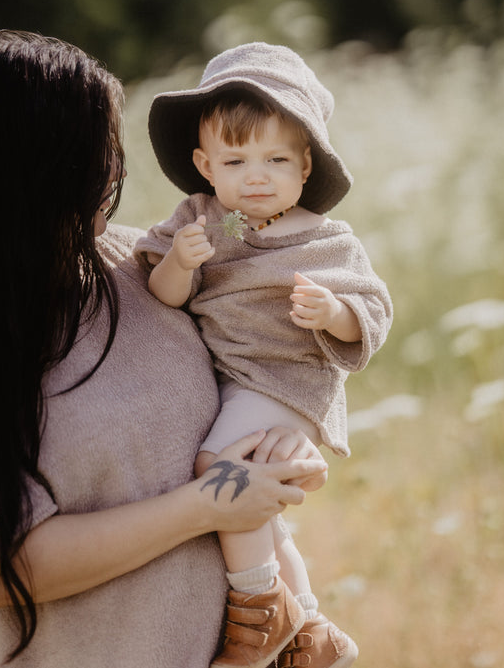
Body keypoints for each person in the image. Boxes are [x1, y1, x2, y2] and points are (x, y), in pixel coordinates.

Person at [0, 30, 329, 668]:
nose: (117, 170)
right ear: (39, 164)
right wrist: (209, 502)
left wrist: (283, 441)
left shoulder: (137, 262)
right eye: (100, 150)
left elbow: (245, 373)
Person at [135, 42, 394, 668]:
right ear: (204, 164)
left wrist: (334, 313)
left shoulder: (324, 238)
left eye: (276, 158)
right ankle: (309, 625)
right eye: (236, 159)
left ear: (305, 167)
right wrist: (178, 263)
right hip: (230, 382)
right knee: (261, 511)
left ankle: (258, 605)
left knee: (217, 470)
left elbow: (375, 310)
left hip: (286, 383)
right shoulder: (204, 219)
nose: (256, 175)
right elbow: (162, 294)